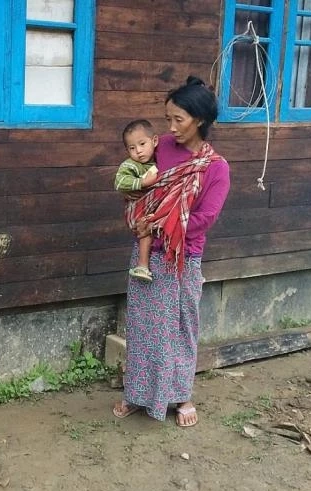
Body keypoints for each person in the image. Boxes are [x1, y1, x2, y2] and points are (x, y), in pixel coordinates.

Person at [112, 76, 231, 428]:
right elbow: (133, 177)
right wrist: (136, 205)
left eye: (179, 119)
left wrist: (160, 224)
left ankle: (181, 395)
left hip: (183, 258)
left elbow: (204, 218)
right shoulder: (159, 146)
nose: (171, 127)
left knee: (181, 326)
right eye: (168, 119)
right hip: (147, 255)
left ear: (200, 120)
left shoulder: (215, 168)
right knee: (143, 326)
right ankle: (137, 393)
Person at [114, 119, 160, 282]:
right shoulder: (131, 165)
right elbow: (119, 182)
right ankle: (142, 265)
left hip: (151, 209)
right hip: (137, 211)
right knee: (145, 229)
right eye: (132, 148)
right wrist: (142, 183)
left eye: (142, 144)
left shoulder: (159, 161)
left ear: (154, 141)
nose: (138, 151)